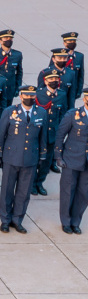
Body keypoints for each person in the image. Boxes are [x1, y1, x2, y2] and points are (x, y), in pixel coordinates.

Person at [0, 85, 47, 234]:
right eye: (26, 95)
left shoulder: (41, 113)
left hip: (30, 159)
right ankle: (5, 220)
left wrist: (42, 156)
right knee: (7, 191)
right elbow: (1, 134)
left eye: (32, 95)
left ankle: (17, 220)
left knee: (24, 193)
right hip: (11, 158)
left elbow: (42, 137)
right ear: (20, 95)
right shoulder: (10, 112)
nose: (30, 98)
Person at [55, 88, 88, 234]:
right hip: (71, 159)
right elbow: (60, 135)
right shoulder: (73, 115)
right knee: (68, 191)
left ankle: (76, 221)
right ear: (85, 99)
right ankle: (66, 221)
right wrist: (58, 156)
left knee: (84, 193)